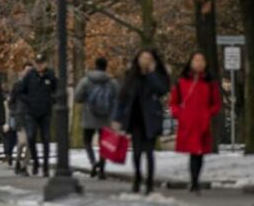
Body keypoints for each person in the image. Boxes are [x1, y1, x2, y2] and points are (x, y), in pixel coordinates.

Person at [113, 49, 170, 195]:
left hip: (151, 118)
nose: (145, 60)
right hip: (135, 118)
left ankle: (150, 182)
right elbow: (122, 98)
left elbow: (162, 90)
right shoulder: (132, 76)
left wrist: (151, 73)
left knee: (149, 152)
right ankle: (138, 176)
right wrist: (117, 119)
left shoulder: (157, 75)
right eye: (142, 58)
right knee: (137, 152)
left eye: (148, 58)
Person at [170, 51, 221, 193]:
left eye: (201, 60)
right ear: (191, 63)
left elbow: (216, 104)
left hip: (202, 122)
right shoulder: (181, 82)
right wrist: (179, 114)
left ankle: (195, 180)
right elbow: (173, 102)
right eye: (196, 60)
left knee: (199, 152)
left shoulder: (210, 84)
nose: (199, 63)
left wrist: (208, 114)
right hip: (188, 122)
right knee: (193, 152)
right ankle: (194, 181)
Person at [74, 56, 119, 179]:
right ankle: (102, 169)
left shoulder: (86, 81)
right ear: (106, 66)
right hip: (106, 117)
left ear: (95, 65)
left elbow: (77, 97)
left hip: (89, 116)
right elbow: (118, 98)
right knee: (103, 143)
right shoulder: (112, 82)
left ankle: (93, 162)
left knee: (87, 141)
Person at [18, 54, 56, 176]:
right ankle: (35, 161)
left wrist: (51, 100)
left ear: (45, 64)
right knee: (31, 137)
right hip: (31, 112)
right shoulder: (30, 75)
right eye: (37, 63)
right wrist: (28, 100)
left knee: (45, 139)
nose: (39, 66)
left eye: (42, 63)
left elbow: (57, 90)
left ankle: (45, 166)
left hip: (45, 112)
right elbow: (21, 91)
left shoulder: (50, 75)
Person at [9, 63, 33, 176]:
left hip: (32, 117)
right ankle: (18, 161)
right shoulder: (17, 85)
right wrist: (14, 111)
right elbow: (11, 101)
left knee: (30, 143)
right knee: (22, 142)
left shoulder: (36, 86)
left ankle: (24, 166)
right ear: (22, 72)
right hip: (20, 117)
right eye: (27, 71)